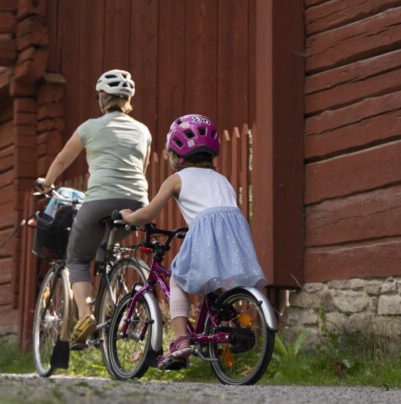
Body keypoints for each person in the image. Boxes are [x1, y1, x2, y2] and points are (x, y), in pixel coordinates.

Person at [120, 113, 266, 369]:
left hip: (204, 231)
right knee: (218, 279)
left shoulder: (177, 179)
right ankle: (224, 317)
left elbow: (149, 213)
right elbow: (227, 213)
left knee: (177, 279)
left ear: (176, 156)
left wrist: (129, 216)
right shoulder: (223, 180)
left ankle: (180, 340)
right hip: (234, 232)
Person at [37, 69, 152, 345]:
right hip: (137, 203)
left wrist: (47, 182)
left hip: (100, 200)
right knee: (105, 247)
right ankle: (111, 297)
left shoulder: (89, 127)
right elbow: (143, 169)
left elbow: (63, 160)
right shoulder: (143, 130)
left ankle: (87, 314)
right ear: (127, 99)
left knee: (77, 258)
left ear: (102, 98)